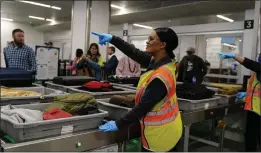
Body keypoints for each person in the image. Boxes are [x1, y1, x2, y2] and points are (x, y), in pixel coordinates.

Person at [92, 27, 183, 152]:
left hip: (161, 135)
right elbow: (133, 52)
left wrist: (118, 124)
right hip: (170, 127)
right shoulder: (161, 62)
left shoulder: (160, 76)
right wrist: (113, 39)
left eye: (151, 39)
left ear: (163, 45)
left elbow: (142, 107)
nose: (147, 41)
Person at [218, 52, 261, 152]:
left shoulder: (258, 69)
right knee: (252, 136)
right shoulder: (256, 74)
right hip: (253, 109)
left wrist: (235, 56)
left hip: (258, 111)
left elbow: (252, 64)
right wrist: (246, 93)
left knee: (252, 137)